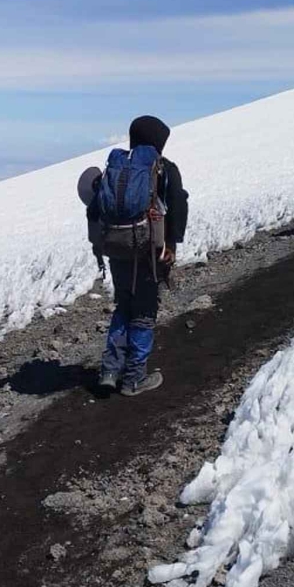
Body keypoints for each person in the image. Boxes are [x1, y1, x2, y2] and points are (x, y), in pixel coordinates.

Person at [90, 115, 188, 396]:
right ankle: (134, 379)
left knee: (124, 305)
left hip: (117, 248)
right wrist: (172, 243)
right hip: (149, 251)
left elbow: (94, 209)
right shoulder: (164, 169)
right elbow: (178, 205)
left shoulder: (116, 168)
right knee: (144, 313)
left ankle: (110, 370)